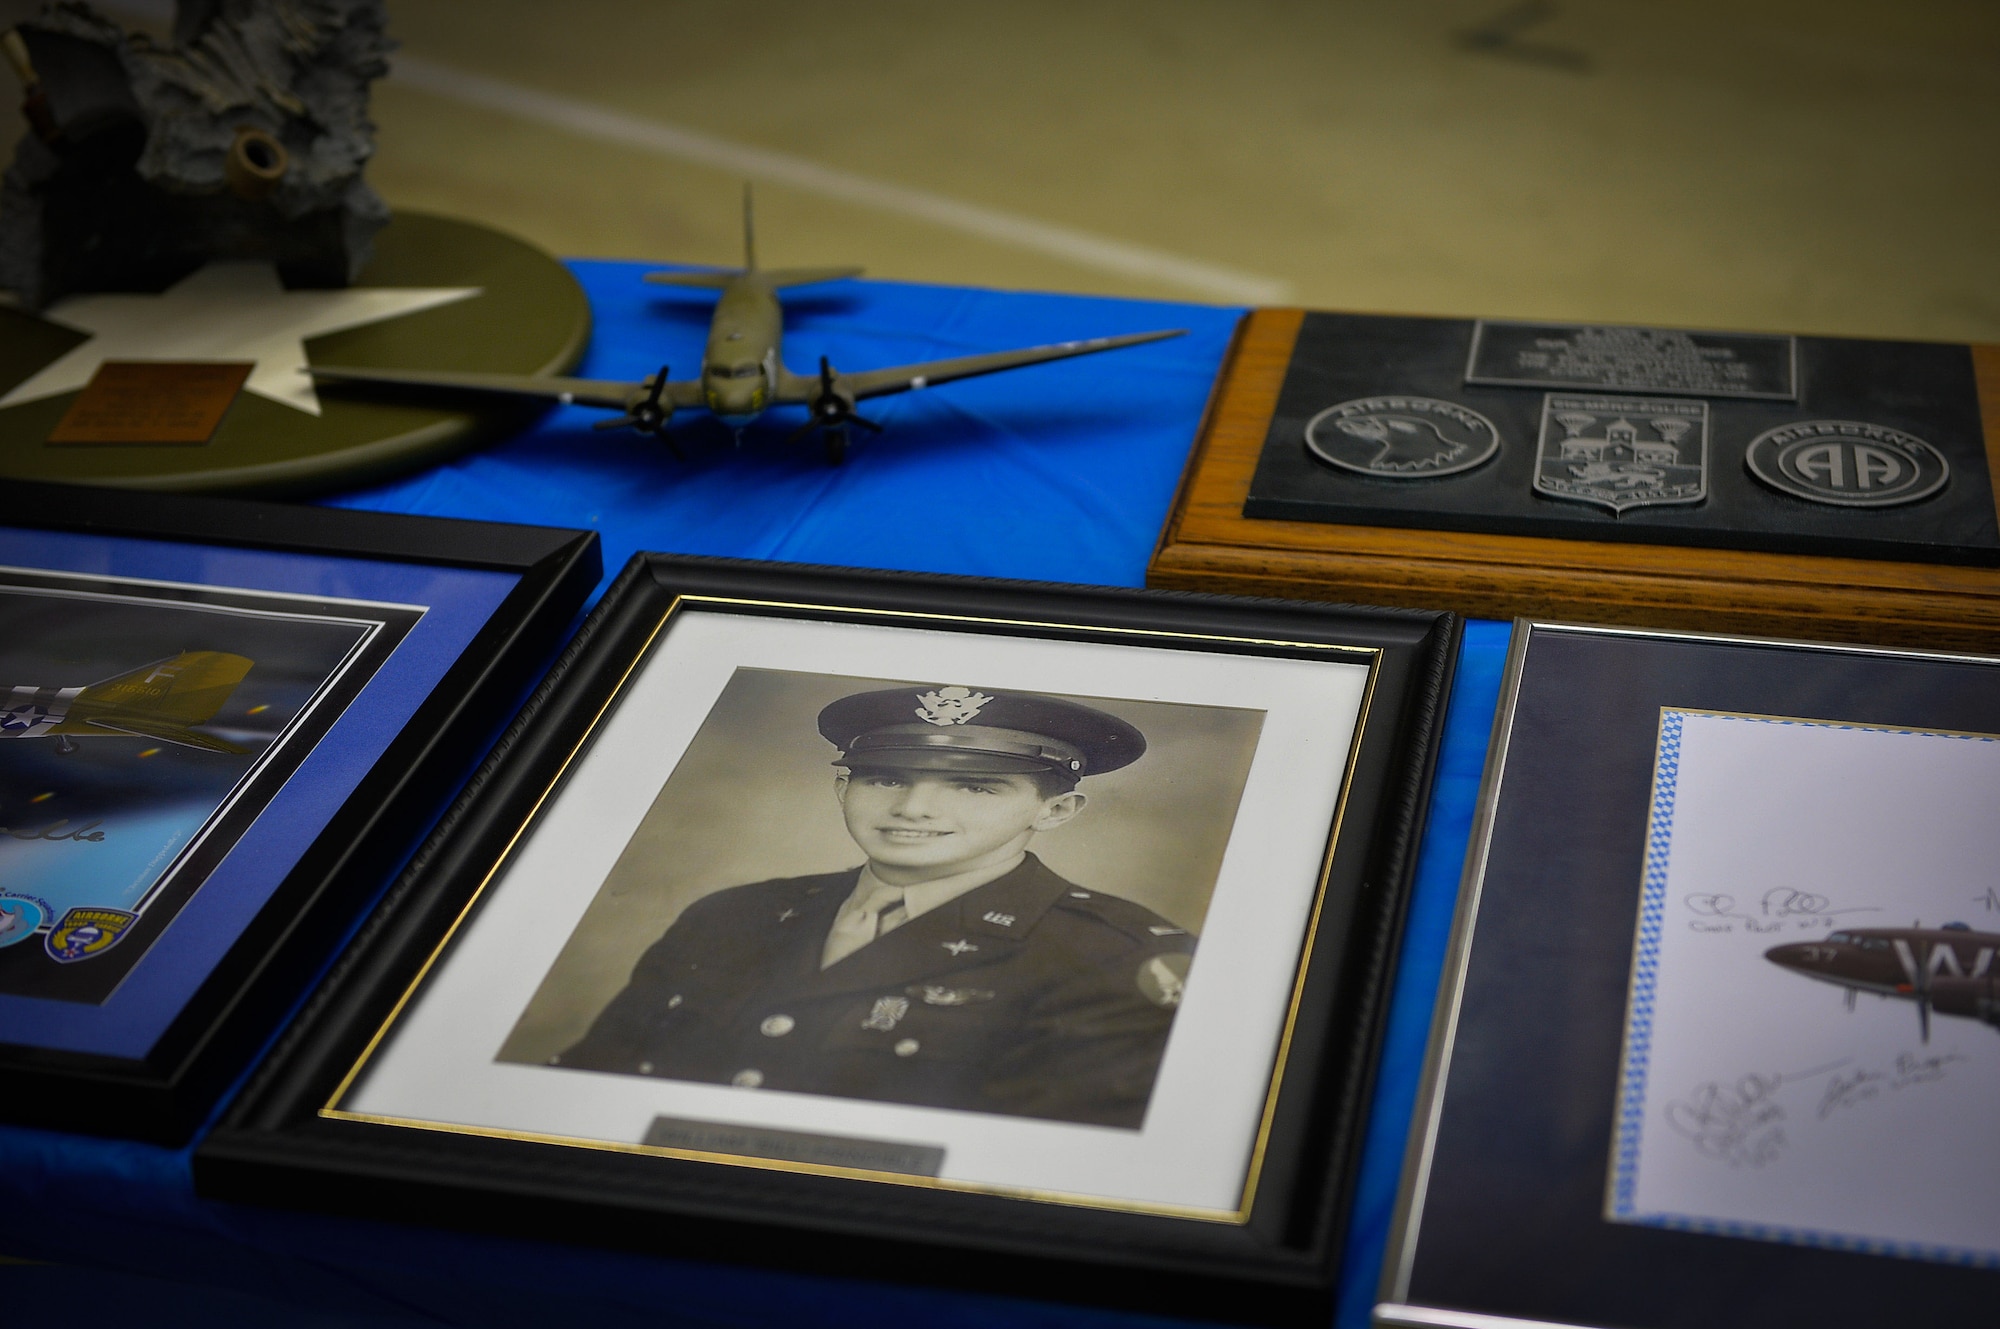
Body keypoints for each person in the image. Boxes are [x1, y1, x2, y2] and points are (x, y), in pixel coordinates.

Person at [556, 683, 1197, 1129]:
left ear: (1056, 810)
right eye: (885, 778)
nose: (913, 809)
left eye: (974, 786)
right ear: (843, 786)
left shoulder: (1119, 956)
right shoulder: (731, 915)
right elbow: (587, 1092)